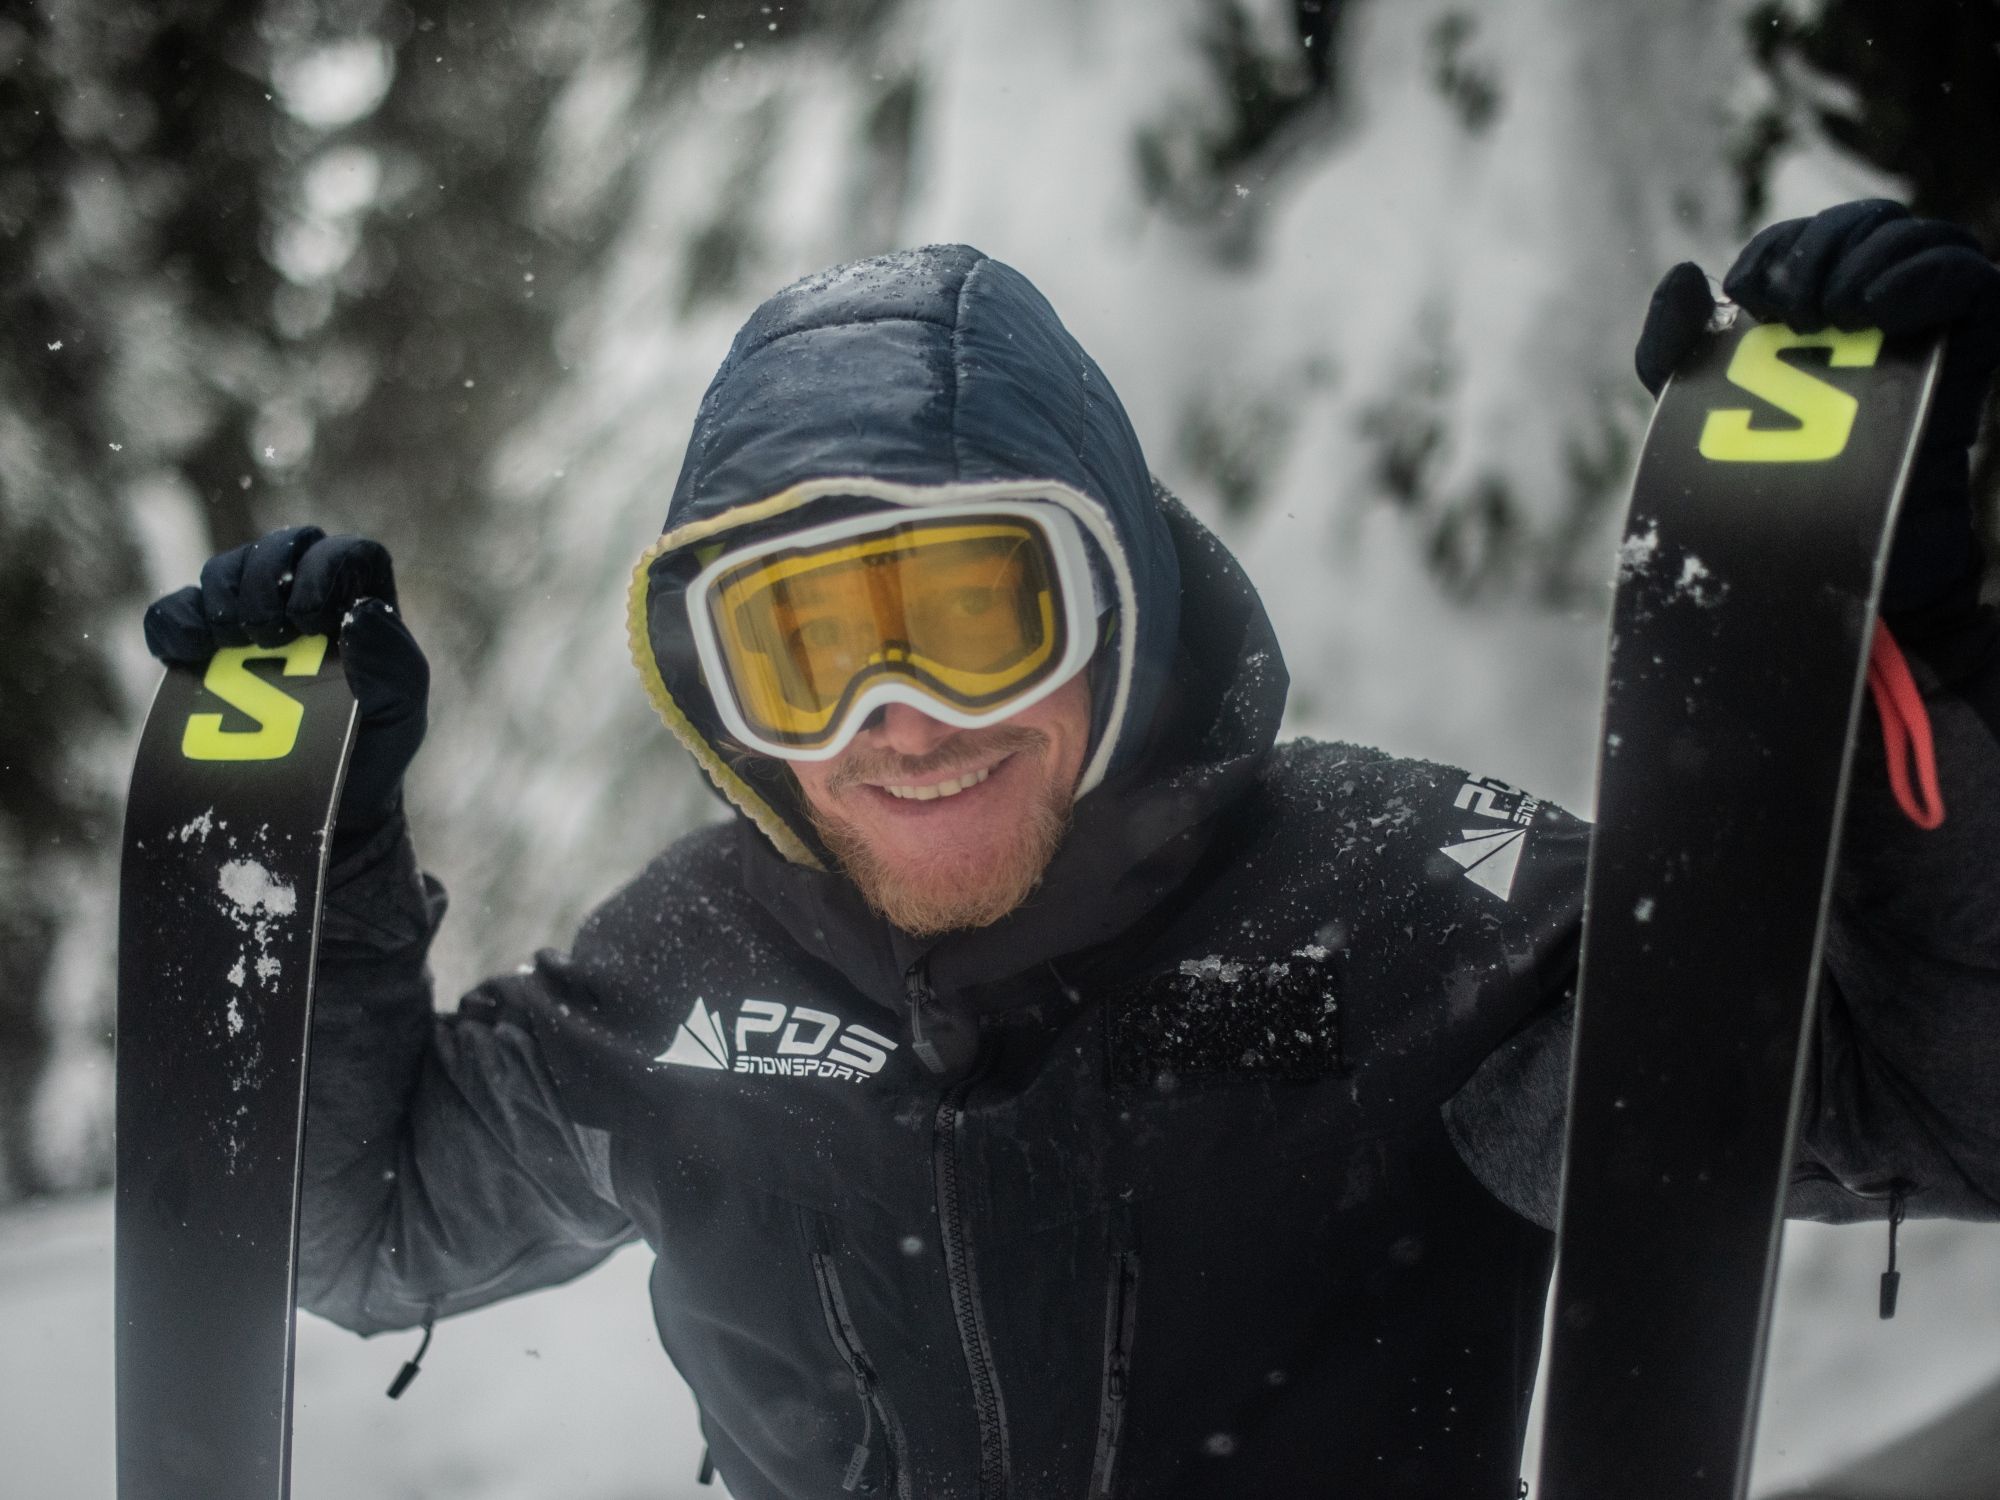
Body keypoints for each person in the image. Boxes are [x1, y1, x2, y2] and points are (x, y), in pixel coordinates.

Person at [144, 199, 2000, 1498]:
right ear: (715, 688)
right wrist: (324, 861)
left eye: (970, 615)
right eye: (803, 646)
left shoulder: (1422, 915)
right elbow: (352, 1232)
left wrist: (1936, 653)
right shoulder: (680, 980)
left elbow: (1953, 1108)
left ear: (1111, 605)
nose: (897, 715)